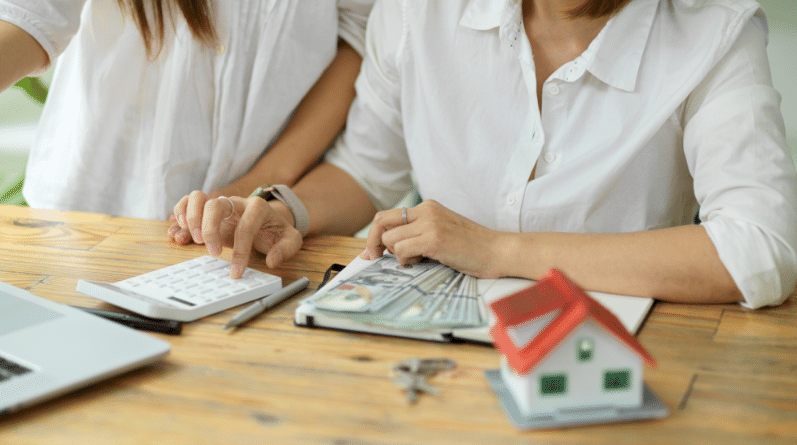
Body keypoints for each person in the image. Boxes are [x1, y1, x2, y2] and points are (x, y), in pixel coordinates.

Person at [171, 0, 797, 309]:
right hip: (436, 347)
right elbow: (367, 167)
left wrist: (498, 251)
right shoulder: (418, 12)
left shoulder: (716, 31)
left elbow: (757, 250)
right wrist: (290, 211)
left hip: (613, 356)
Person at [0, 0, 374, 220]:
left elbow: (356, 36)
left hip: (253, 226)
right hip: (89, 215)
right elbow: (28, 18)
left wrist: (259, 184)